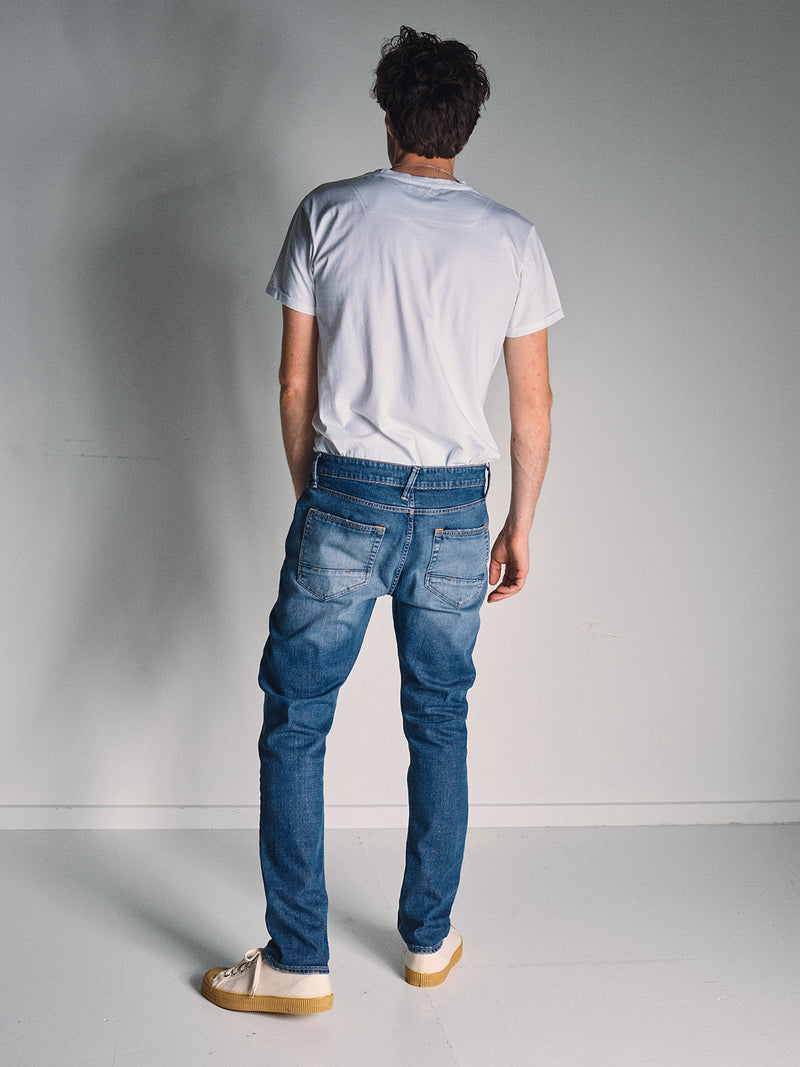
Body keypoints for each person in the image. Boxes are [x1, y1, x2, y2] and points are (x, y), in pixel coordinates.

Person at [202, 26, 562, 1015]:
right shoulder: (510, 238)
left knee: (296, 722)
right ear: (465, 124)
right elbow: (529, 411)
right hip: (456, 510)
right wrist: (517, 523)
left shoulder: (328, 214)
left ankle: (297, 959)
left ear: (389, 113)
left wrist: (312, 493)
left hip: (343, 492)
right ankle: (429, 939)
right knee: (438, 718)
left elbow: (293, 381)